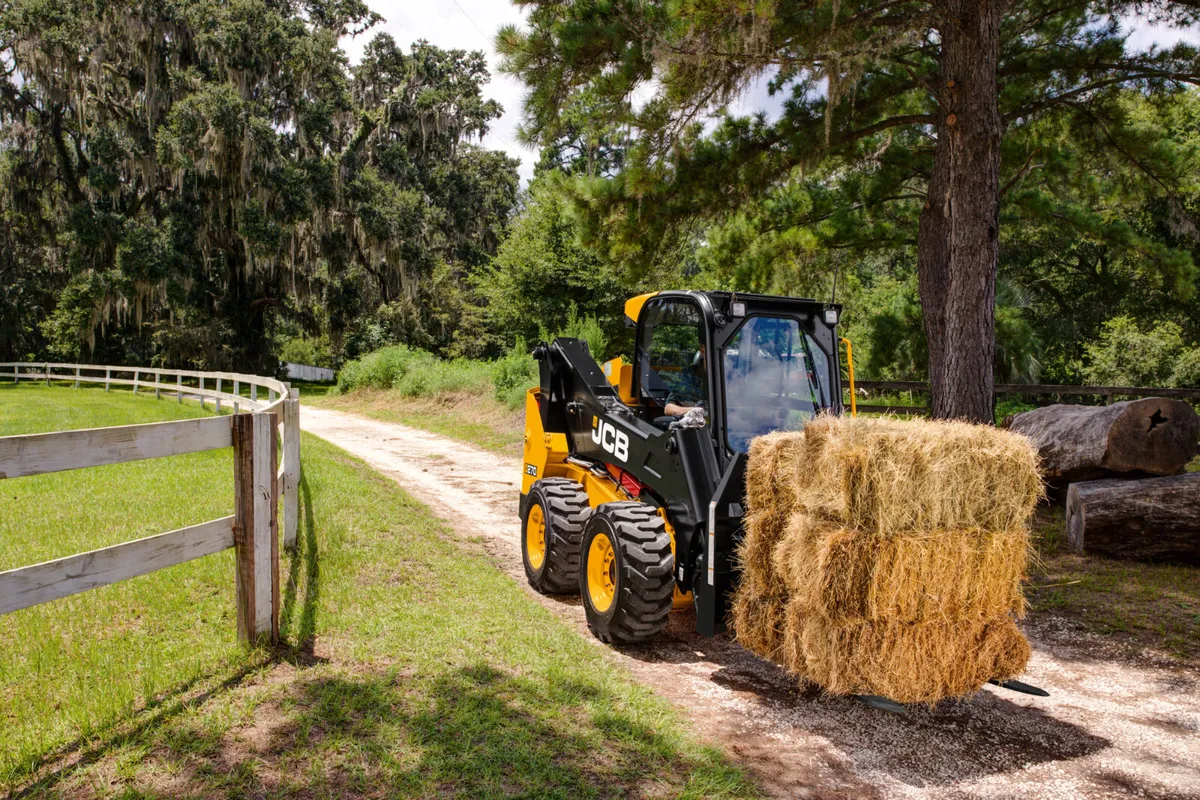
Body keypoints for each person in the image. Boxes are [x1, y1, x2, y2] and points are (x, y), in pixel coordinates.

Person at [662, 345, 706, 417]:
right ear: (702, 349)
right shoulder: (687, 374)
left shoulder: (725, 374)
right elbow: (669, 408)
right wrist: (695, 411)